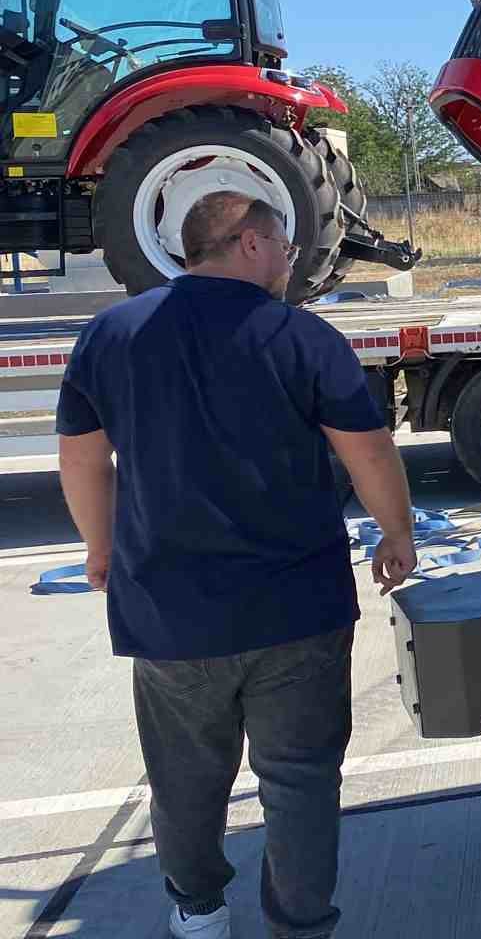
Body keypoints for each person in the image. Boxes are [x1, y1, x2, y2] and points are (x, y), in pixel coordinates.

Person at [55, 192, 418, 939]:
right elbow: (370, 449)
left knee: (185, 782)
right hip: (299, 613)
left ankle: (197, 912)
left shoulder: (111, 334)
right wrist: (397, 533)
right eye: (284, 244)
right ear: (249, 242)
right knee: (301, 783)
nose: (291, 260)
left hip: (168, 615)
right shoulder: (302, 337)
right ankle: (300, 924)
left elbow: (84, 459)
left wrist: (101, 548)